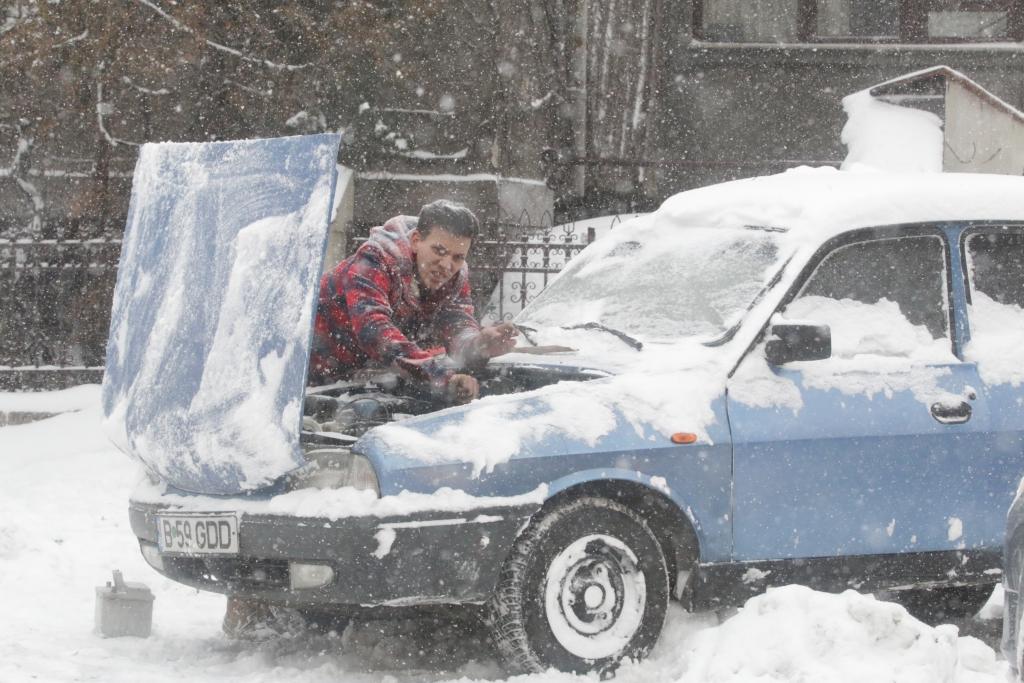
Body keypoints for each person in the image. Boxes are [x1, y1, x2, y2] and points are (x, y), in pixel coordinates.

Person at [308, 199, 517, 403]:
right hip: (310, 379)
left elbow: (457, 323)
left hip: (364, 383)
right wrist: (439, 375)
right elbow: (374, 329)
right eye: (439, 251)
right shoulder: (374, 260)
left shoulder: (455, 277)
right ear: (416, 240)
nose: (447, 265)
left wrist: (478, 344)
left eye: (457, 257)